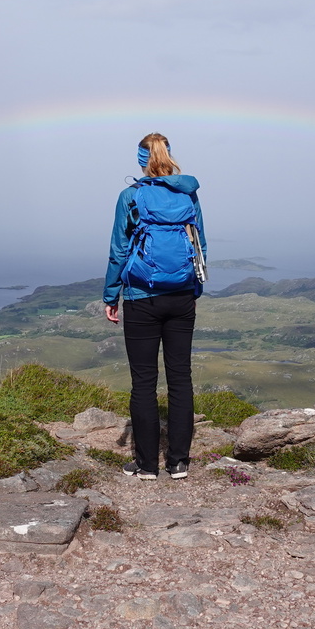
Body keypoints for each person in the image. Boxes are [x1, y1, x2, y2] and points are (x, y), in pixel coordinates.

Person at [102, 132, 207, 480]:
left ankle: (147, 465)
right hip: (181, 297)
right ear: (170, 156)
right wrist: (193, 288)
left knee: (143, 382)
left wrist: (110, 296)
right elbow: (200, 244)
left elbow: (119, 250)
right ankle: (178, 463)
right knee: (181, 378)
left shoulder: (131, 196)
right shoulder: (187, 193)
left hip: (141, 298)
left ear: (139, 159)